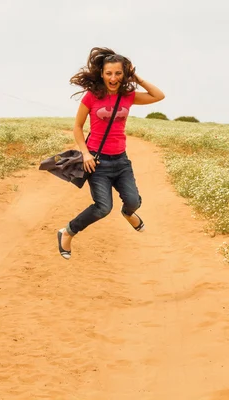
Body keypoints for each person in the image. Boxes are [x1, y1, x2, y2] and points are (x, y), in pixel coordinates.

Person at [57, 47, 165, 259]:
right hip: (97, 163)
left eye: (118, 73)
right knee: (103, 208)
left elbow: (158, 96)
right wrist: (86, 154)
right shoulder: (92, 97)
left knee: (133, 202)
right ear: (101, 74)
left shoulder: (128, 96)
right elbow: (77, 127)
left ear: (124, 74)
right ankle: (67, 232)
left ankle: (128, 214)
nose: (113, 78)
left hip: (121, 161)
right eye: (109, 73)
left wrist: (137, 77)